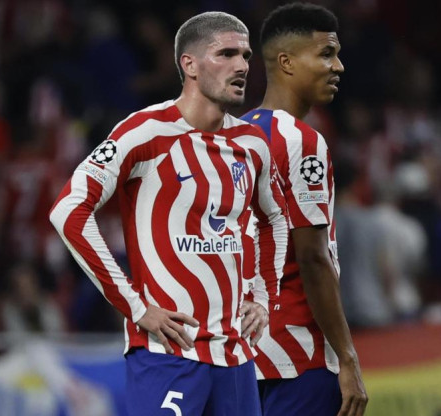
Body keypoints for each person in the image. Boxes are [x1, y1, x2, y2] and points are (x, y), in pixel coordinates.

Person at [49, 11, 288, 416]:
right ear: (189, 64)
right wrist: (136, 307)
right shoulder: (145, 132)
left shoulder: (253, 143)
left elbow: (276, 220)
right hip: (167, 354)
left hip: (236, 360)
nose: (242, 66)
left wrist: (264, 297)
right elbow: (68, 210)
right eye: (226, 54)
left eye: (246, 56)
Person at [240, 4, 368, 415]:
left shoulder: (230, 137)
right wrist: (347, 358)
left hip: (239, 357)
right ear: (287, 62)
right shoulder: (301, 140)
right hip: (300, 356)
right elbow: (312, 256)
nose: (339, 67)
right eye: (327, 54)